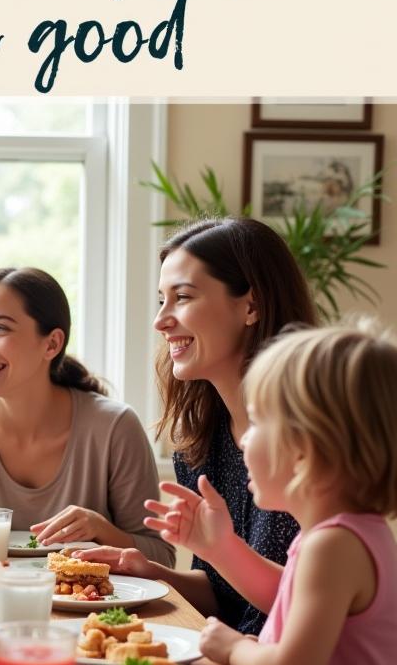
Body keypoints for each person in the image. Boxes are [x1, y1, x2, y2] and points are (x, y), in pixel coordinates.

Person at [150, 322, 397, 665]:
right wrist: (220, 547)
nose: (241, 439)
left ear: (306, 449)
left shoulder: (335, 545)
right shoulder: (340, 535)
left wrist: (232, 645)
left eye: (259, 422)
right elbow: (283, 593)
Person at [86, 217, 317, 633]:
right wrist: (154, 574)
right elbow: (223, 589)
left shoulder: (308, 441)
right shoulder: (201, 444)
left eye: (183, 297)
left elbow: (302, 603)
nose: (161, 320)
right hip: (230, 654)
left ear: (251, 306)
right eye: (161, 299)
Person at [0, 267, 173, 566]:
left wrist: (100, 530)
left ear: (52, 344)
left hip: (91, 607)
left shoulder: (115, 428)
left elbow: (160, 558)